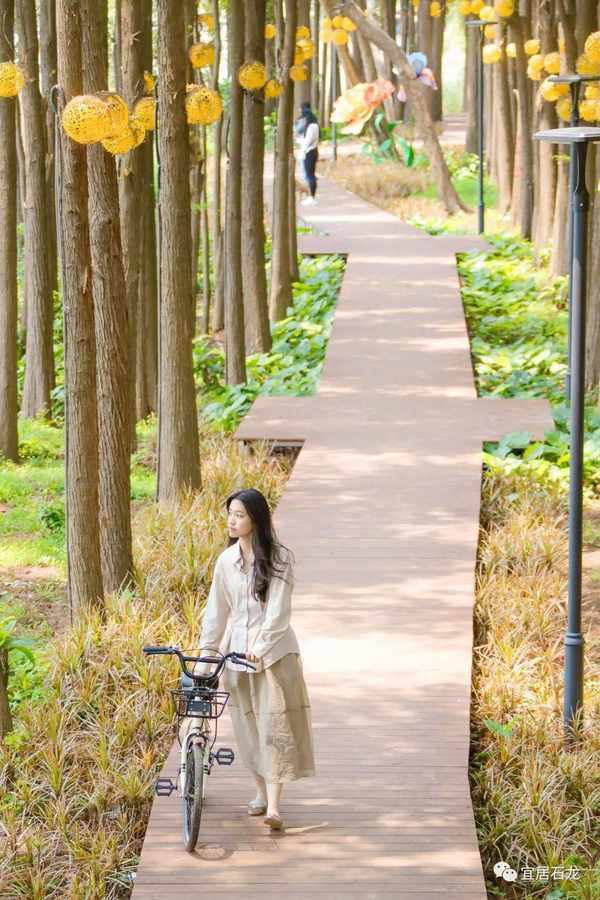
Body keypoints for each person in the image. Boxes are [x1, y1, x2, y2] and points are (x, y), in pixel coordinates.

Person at [197, 487, 316, 831]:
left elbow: (278, 613)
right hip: (236, 658)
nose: (232, 521)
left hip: (274, 658)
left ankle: (274, 808)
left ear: (256, 519)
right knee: (247, 729)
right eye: (230, 515)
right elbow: (216, 614)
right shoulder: (226, 562)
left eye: (239, 515)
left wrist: (259, 647)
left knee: (274, 727)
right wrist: (207, 655)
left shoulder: (280, 558)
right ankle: (261, 794)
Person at [295, 101, 320, 205]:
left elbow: (308, 141)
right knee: (309, 175)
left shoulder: (312, 126)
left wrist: (298, 140)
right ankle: (310, 196)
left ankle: (311, 197)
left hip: (310, 152)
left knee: (309, 175)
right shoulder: (314, 125)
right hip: (311, 151)